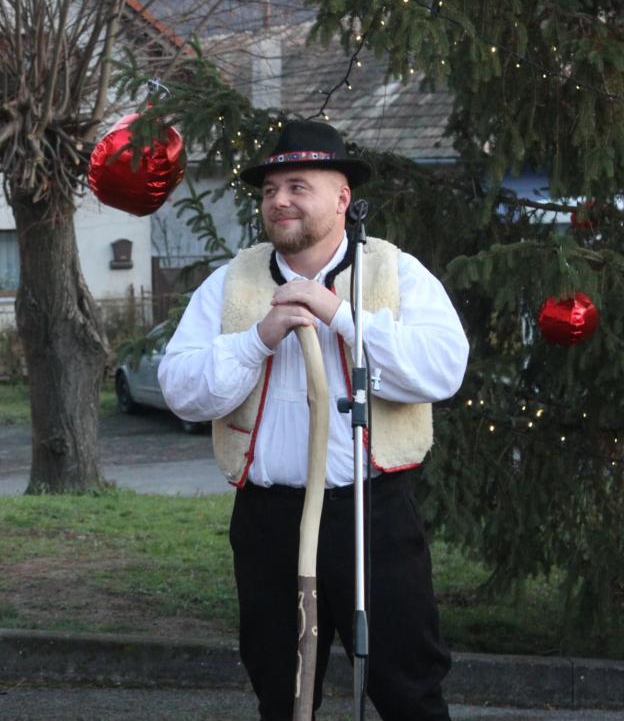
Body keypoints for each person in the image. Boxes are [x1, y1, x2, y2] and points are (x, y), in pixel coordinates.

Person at [158, 120, 468, 720]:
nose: (280, 200)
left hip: (371, 514)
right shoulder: (231, 282)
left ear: (342, 197)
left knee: (408, 687)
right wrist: (257, 339)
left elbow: (443, 369)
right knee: (281, 691)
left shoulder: (394, 272)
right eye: (271, 189)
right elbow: (182, 390)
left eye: (298, 186)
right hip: (269, 519)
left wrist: (340, 315)